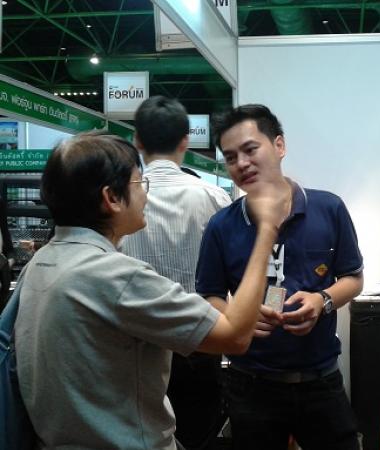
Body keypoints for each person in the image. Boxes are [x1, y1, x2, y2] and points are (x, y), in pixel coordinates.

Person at [14, 131, 287, 450]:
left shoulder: (41, 262)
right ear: (111, 198)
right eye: (139, 183)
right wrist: (266, 231)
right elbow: (235, 337)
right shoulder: (114, 275)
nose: (146, 195)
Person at [196, 104, 364, 450]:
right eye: (231, 157)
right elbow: (209, 295)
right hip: (251, 384)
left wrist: (322, 300)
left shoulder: (328, 208)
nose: (241, 163)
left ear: (279, 145)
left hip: (321, 381)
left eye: (250, 149)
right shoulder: (221, 226)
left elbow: (353, 278)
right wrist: (237, 315)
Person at [121, 96, 231, 450]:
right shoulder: (215, 198)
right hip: (202, 342)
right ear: (186, 140)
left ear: (137, 140)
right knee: (200, 436)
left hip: (138, 348)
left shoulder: (120, 203)